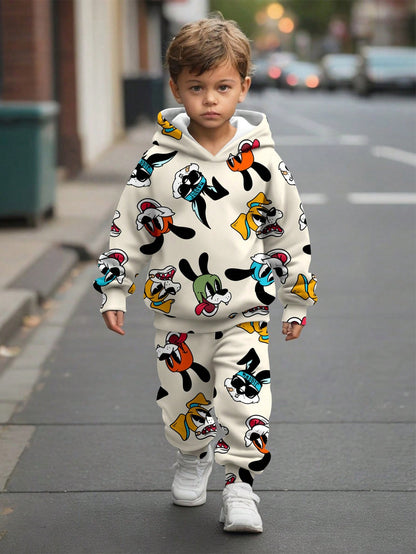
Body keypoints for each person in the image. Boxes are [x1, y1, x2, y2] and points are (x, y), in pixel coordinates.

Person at [94, 14, 317, 534]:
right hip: (177, 317)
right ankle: (192, 457)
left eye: (222, 87)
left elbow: (289, 232)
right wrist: (114, 291)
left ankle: (240, 487)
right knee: (183, 399)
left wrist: (297, 298)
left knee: (246, 400)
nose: (210, 100)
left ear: (244, 86)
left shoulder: (264, 162)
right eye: (196, 88)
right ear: (176, 88)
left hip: (247, 311)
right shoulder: (158, 161)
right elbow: (129, 227)